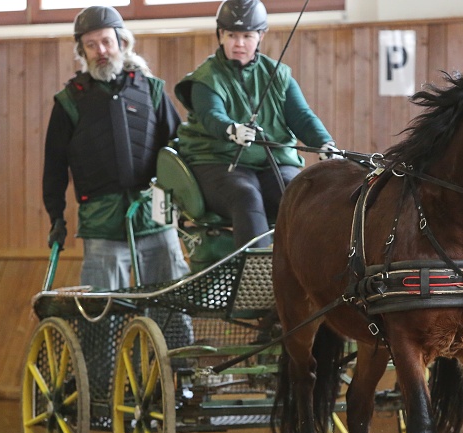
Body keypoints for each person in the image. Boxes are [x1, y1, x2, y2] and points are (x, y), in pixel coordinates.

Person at [43, 5, 190, 290]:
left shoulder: (152, 90)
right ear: (82, 51)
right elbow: (54, 169)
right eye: (91, 44)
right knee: (103, 317)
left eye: (106, 41)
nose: (101, 50)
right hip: (101, 226)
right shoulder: (68, 103)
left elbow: (179, 153)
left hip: (156, 218)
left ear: (121, 42)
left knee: (170, 311)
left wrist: (187, 210)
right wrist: (56, 218)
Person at [174, 0, 340, 249]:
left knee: (298, 192)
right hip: (218, 161)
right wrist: (232, 129)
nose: (239, 43)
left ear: (261, 36)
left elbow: (302, 116)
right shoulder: (205, 79)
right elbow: (211, 116)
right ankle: (256, 278)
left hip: (272, 161)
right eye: (232, 35)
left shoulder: (278, 74)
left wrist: (324, 144)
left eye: (247, 35)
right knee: (246, 196)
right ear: (220, 35)